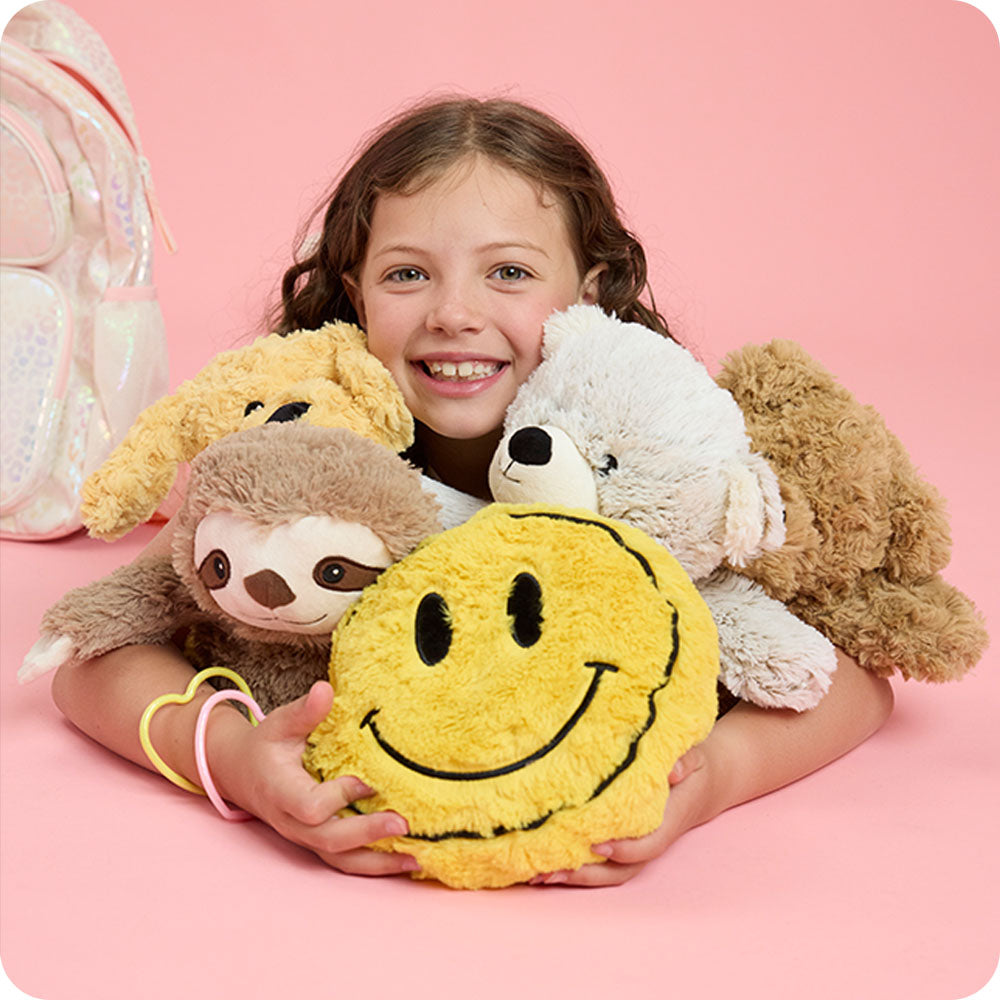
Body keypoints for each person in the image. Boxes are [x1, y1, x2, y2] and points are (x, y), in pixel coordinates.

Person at [51, 97, 894, 887]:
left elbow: (853, 680)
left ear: (590, 293)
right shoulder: (307, 462)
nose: (454, 312)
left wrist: (714, 779)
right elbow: (88, 663)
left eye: (510, 272)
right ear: (355, 295)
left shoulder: (654, 472)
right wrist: (233, 761)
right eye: (407, 275)